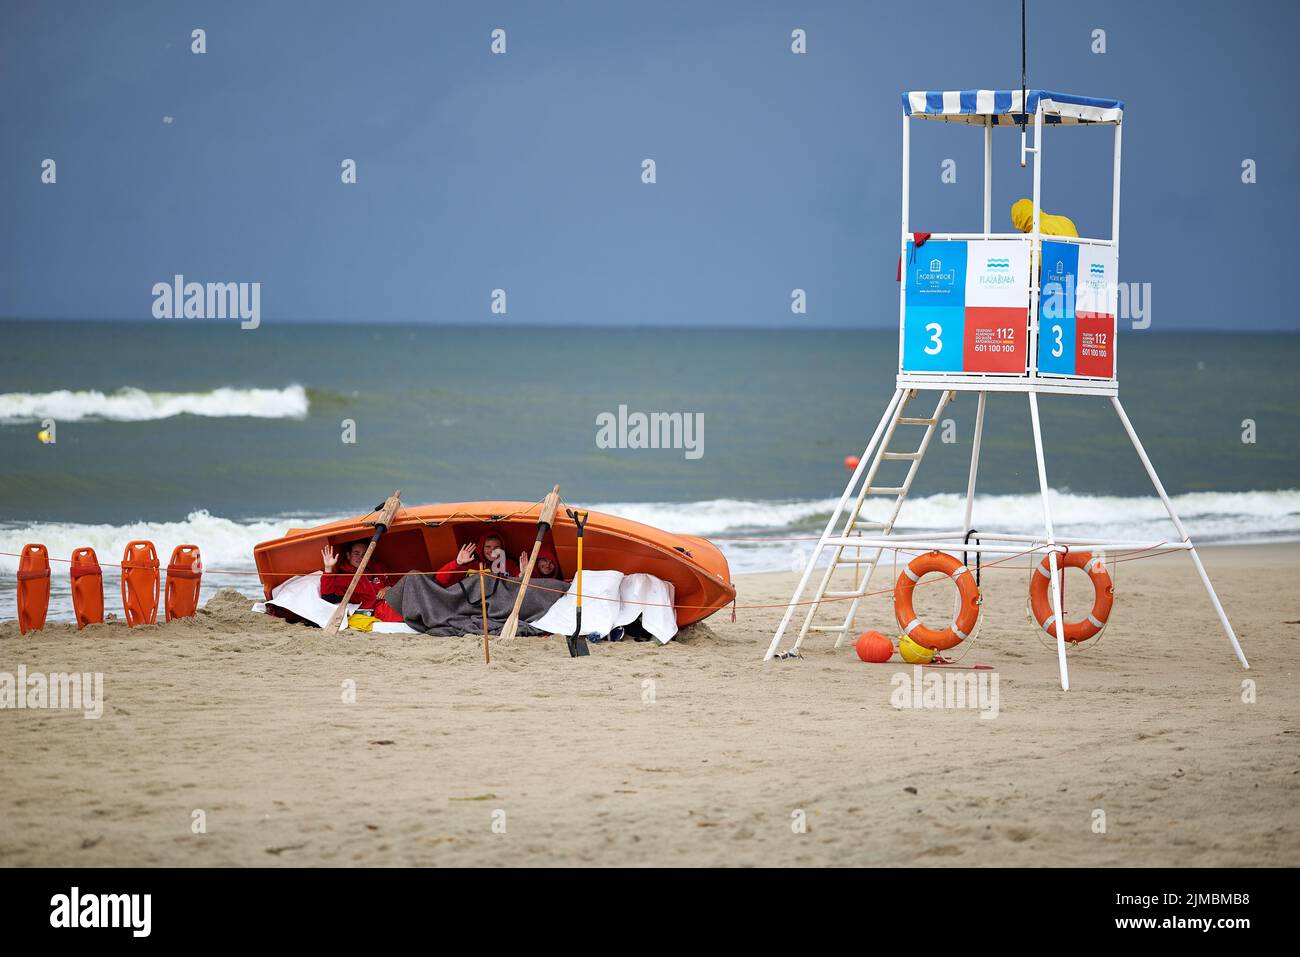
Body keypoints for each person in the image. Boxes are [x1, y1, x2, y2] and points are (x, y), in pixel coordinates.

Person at [320, 540, 403, 623]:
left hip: (397, 598)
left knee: (412, 575)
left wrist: (389, 587)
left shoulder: (377, 566)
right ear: (348, 555)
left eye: (364, 554)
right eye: (356, 554)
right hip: (383, 610)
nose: (361, 558)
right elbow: (328, 597)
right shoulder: (345, 577)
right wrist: (328, 568)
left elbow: (396, 579)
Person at [435, 528, 520, 587]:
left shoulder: (509, 564)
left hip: (499, 608)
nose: (492, 551)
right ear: (481, 548)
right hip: (473, 608)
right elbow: (440, 580)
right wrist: (457, 563)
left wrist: (523, 574)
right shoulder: (470, 564)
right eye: (488, 547)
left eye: (496, 547)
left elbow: (517, 589)